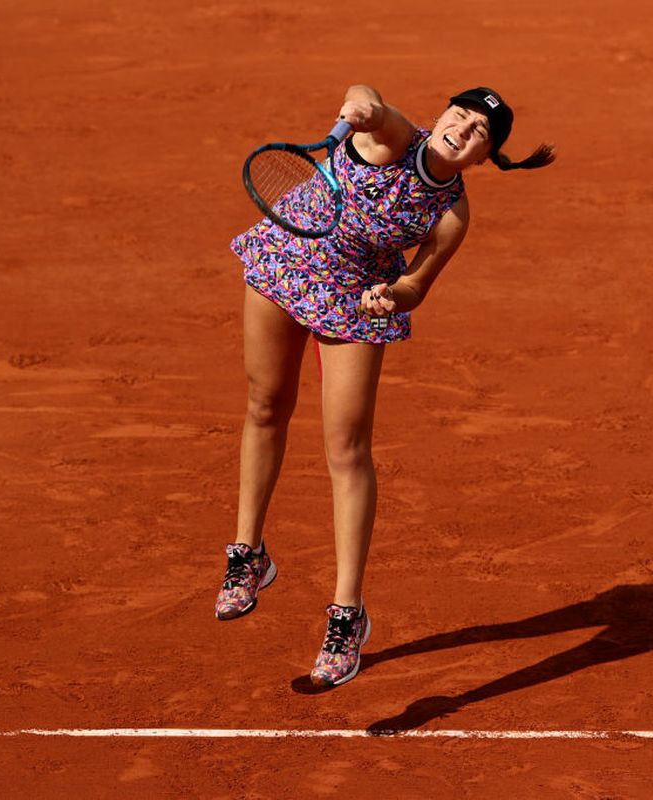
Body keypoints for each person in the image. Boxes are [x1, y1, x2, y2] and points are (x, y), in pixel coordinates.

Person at [213, 85, 555, 688]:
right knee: (265, 405)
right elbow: (369, 100)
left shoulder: (452, 215)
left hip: (355, 300)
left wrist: (391, 294)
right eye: (460, 115)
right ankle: (248, 554)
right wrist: (358, 109)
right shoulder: (391, 138)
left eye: (480, 132)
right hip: (282, 261)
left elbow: (418, 284)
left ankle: (347, 616)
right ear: (441, 115)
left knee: (346, 450)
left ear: (484, 158)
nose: (463, 130)